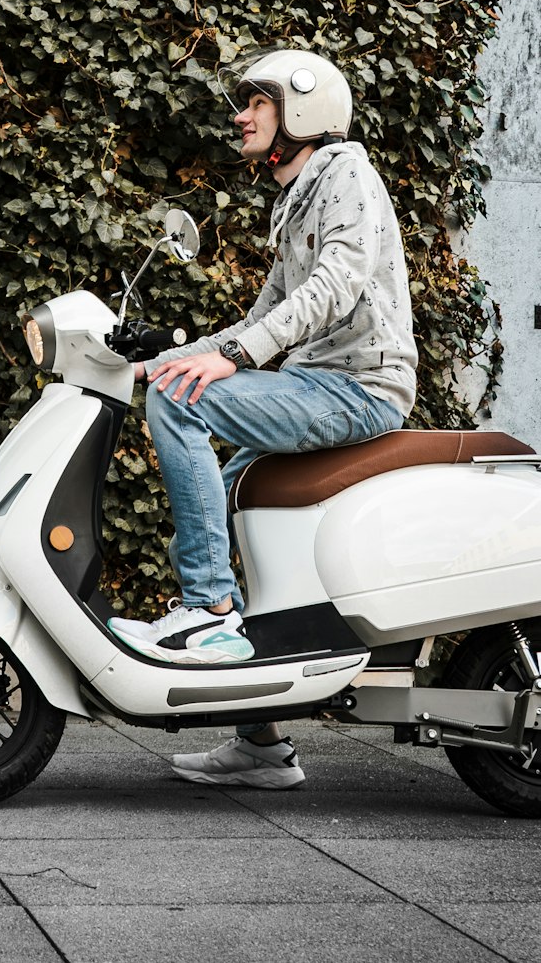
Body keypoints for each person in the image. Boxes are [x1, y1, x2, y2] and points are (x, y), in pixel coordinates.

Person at [109, 47, 417, 789]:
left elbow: (337, 285)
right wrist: (161, 358)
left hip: (359, 387)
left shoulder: (347, 175)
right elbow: (269, 316)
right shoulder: (297, 197)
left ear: (302, 109)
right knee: (229, 489)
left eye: (257, 102)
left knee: (181, 403)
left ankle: (208, 609)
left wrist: (228, 361)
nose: (239, 116)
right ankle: (263, 745)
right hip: (317, 383)